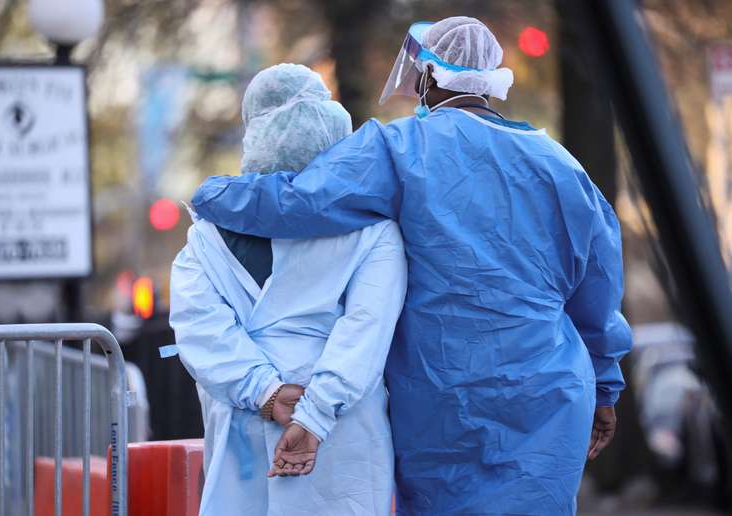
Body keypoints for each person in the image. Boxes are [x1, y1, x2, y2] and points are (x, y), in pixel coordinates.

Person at [191, 17, 633, 516]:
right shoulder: (561, 166)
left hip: (441, 396)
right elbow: (597, 293)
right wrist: (603, 387)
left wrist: (212, 195)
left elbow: (298, 202)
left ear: (426, 77)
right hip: (547, 395)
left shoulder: (397, 150)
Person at [169, 63, 407, 516]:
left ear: (254, 131)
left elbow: (199, 328)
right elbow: (366, 331)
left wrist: (266, 393)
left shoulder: (208, 235)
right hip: (341, 428)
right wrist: (315, 414)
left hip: (244, 424)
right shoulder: (376, 230)